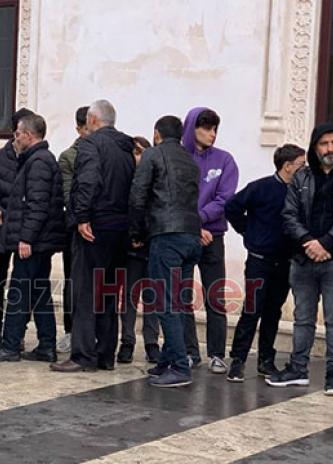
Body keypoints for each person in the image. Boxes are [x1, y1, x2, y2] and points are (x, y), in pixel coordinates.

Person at [267, 124, 333, 396]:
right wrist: (308, 243)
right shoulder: (301, 177)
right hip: (303, 260)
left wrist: (325, 242)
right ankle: (298, 369)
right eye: (324, 143)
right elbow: (288, 215)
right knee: (302, 318)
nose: (330, 149)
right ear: (315, 147)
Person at [50, 100, 135, 373]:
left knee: (85, 291)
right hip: (119, 229)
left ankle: (83, 355)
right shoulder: (127, 149)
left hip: (95, 227)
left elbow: (87, 181)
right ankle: (105, 354)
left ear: (94, 120)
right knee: (109, 292)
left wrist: (82, 217)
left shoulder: (90, 145)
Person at [0, 114, 65, 363]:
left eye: (18, 133)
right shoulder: (38, 159)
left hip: (34, 242)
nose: (15, 138)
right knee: (39, 292)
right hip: (40, 241)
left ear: (29, 135)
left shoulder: (38, 162)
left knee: (19, 291)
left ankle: (9, 346)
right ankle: (47, 345)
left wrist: (26, 238)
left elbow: (37, 206)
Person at [129, 115, 202, 388]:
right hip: (191, 235)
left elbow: (138, 195)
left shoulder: (152, 154)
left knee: (164, 302)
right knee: (179, 301)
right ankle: (168, 360)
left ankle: (180, 367)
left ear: (156, 134)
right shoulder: (190, 160)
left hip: (166, 234)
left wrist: (136, 233)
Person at [224, 144, 306, 382]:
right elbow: (232, 207)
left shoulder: (301, 193)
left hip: (286, 261)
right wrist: (249, 232)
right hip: (260, 261)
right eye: (301, 165)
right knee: (252, 309)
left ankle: (266, 360)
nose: (305, 169)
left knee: (273, 311)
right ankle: (238, 360)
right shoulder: (261, 188)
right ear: (287, 166)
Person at [181, 107, 239, 374]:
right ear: (192, 128)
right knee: (183, 296)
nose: (212, 134)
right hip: (184, 235)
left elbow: (224, 199)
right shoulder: (179, 159)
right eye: (206, 128)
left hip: (212, 237)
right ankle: (190, 352)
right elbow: (173, 197)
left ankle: (217, 352)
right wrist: (193, 226)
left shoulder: (225, 161)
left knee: (215, 295)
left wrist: (200, 220)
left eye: (215, 129)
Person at [0, 108, 35, 351]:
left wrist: (8, 216)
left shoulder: (36, 158)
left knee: (24, 282)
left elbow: (35, 197)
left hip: (25, 231)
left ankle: (18, 329)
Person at [118, 136, 161, 364]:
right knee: (129, 297)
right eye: (135, 153)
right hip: (131, 247)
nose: (139, 158)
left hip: (152, 244)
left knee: (151, 297)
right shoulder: (124, 180)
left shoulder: (157, 180)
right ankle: (127, 341)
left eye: (142, 153)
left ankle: (152, 342)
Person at [56, 105, 88, 354]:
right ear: (79, 128)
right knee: (72, 280)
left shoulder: (108, 150)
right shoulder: (68, 156)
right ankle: (70, 330)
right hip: (76, 227)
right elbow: (68, 195)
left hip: (103, 226)